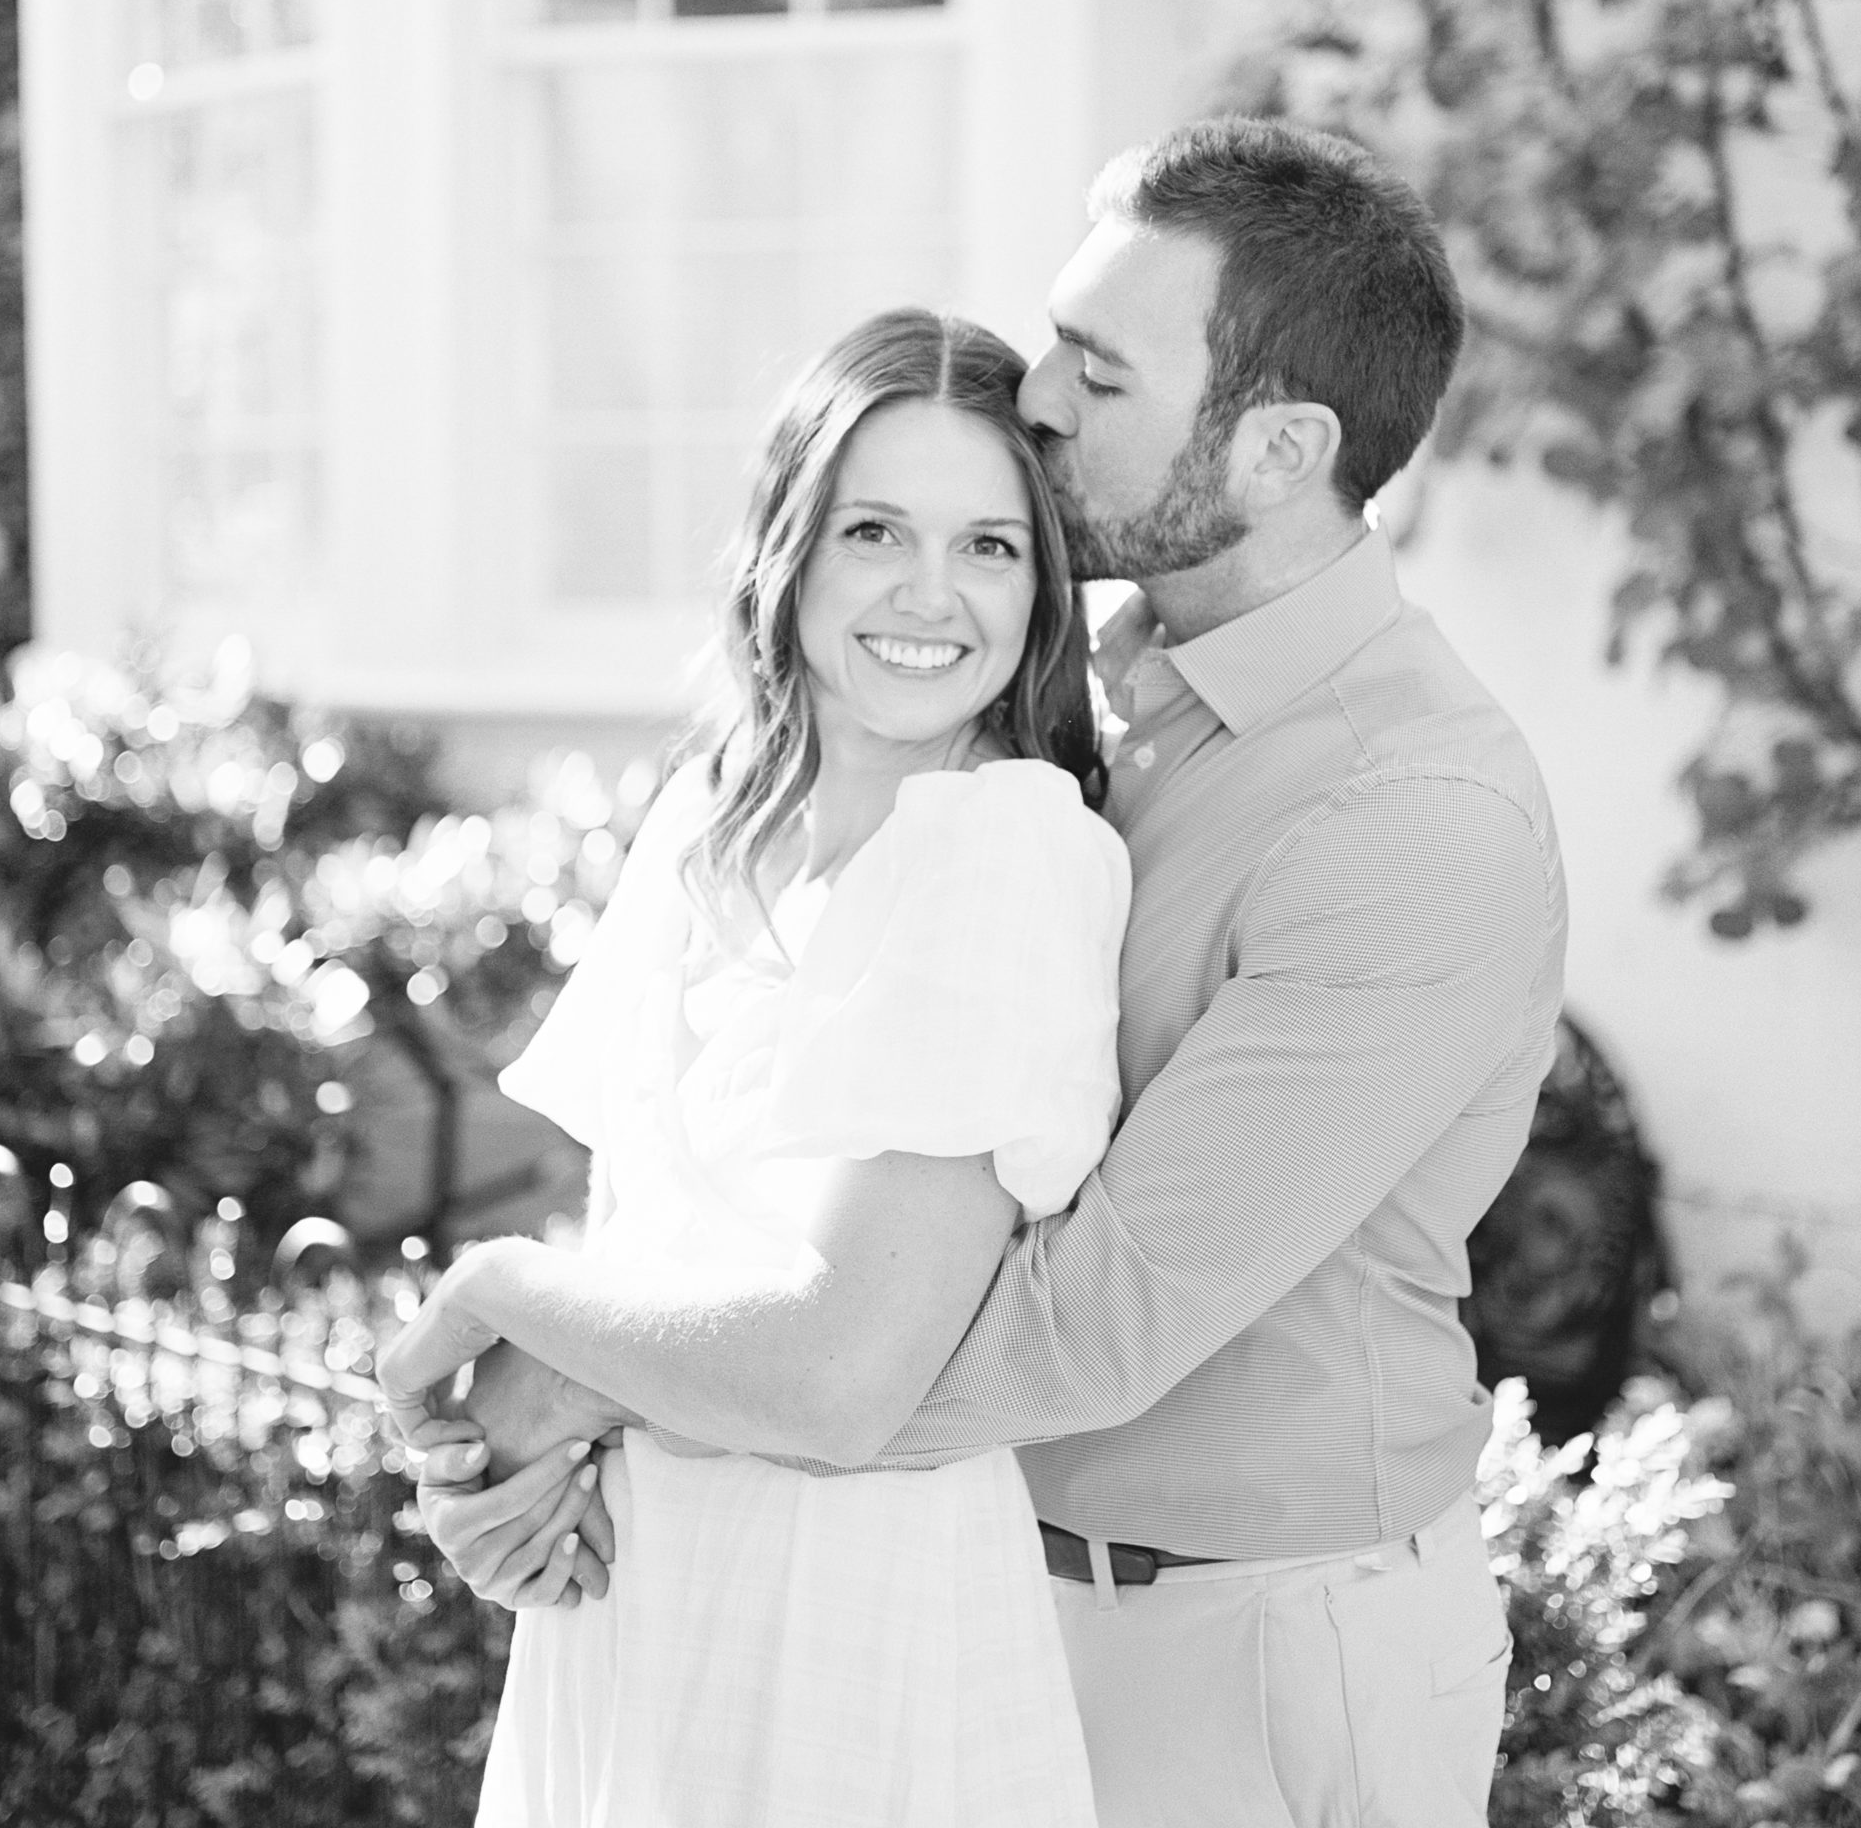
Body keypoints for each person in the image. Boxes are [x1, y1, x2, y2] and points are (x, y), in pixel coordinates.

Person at [403, 118, 1568, 1828]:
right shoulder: (1061, 681)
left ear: (1277, 447)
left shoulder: (1414, 821)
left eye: (1096, 376)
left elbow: (1074, 1333)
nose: (1035, 405)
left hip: (1237, 1640)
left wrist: (584, 1379)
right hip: (960, 1578)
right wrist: (581, 1426)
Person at [379, 308, 1132, 1825]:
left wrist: (506, 1299)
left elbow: (844, 1375)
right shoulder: (713, 822)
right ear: (786, 551)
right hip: (630, 1597)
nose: (932, 595)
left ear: (1042, 588)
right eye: (874, 531)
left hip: (853, 1623)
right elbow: (643, 1259)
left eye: (990, 546)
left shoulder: (1000, 851)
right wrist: (510, 1492)